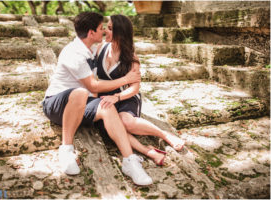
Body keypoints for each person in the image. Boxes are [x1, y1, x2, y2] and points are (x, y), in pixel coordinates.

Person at [42, 12, 152, 185]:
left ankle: (129, 161)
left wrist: (132, 67)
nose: (105, 32)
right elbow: (93, 86)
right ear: (91, 32)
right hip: (56, 104)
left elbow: (119, 48)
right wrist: (126, 79)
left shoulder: (94, 46)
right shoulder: (74, 53)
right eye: (102, 29)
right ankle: (66, 149)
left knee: (107, 106)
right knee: (80, 92)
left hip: (82, 104)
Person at [95, 14, 185, 166]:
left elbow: (135, 88)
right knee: (110, 126)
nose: (105, 31)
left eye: (110, 28)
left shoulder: (130, 57)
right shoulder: (99, 48)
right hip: (105, 97)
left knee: (125, 122)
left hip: (125, 97)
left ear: (120, 33)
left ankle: (164, 135)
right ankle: (148, 151)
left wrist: (116, 97)